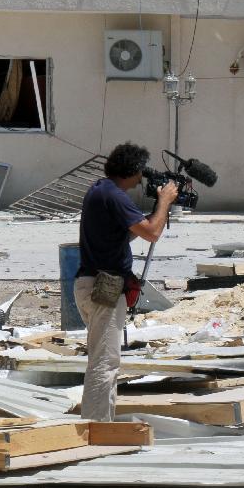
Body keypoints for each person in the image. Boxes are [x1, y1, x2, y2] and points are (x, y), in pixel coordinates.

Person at [73, 142, 178, 421]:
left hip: (90, 284)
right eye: (141, 172)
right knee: (104, 363)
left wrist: (153, 212)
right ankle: (95, 429)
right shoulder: (115, 197)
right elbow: (152, 234)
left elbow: (126, 233)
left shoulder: (101, 190)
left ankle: (103, 423)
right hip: (103, 288)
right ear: (132, 171)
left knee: (105, 359)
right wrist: (165, 202)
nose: (142, 179)